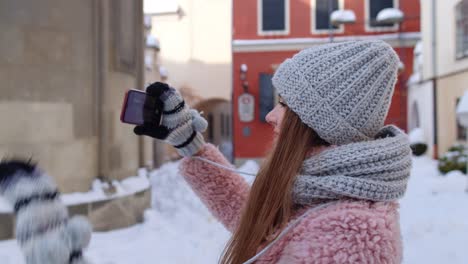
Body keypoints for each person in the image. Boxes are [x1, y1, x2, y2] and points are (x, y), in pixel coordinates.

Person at [134, 40, 412, 264]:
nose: (270, 115)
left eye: (284, 104)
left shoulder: (350, 238)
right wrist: (190, 144)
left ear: (315, 122)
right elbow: (264, 227)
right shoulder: (319, 190)